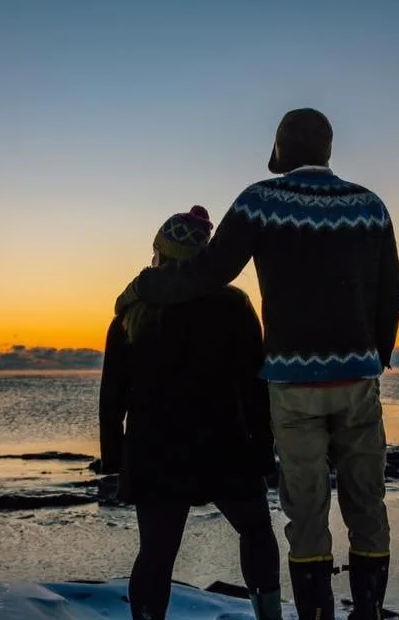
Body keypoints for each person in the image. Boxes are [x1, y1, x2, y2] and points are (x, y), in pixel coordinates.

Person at [114, 109, 399, 620]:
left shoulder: (260, 201)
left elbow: (207, 272)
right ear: (328, 150)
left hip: (293, 385)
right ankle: (370, 612)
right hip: (358, 380)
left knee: (307, 511)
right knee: (366, 504)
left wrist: (143, 287)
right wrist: (372, 358)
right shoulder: (371, 207)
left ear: (280, 150)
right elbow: (391, 300)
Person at [99, 205, 283, 620]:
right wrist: (264, 450)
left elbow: (112, 398)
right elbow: (256, 386)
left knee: (156, 554)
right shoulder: (233, 305)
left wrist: (115, 460)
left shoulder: (129, 317)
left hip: (155, 450)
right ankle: (270, 615)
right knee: (256, 532)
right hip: (224, 445)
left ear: (161, 256)